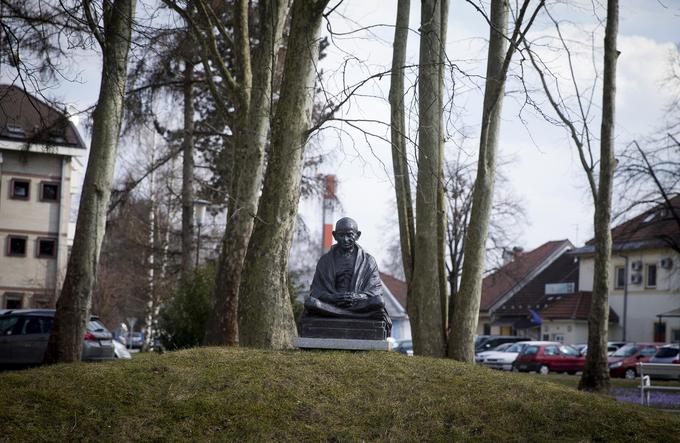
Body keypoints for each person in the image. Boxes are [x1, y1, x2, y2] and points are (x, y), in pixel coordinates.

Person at [302, 217, 391, 333]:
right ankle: (353, 316)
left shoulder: (368, 261)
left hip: (357, 304)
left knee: (378, 301)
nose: (345, 239)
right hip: (332, 304)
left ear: (358, 235)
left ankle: (341, 315)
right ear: (334, 235)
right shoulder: (325, 261)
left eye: (349, 235)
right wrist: (334, 298)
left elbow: (375, 291)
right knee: (310, 302)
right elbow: (316, 291)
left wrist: (356, 297)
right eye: (341, 235)